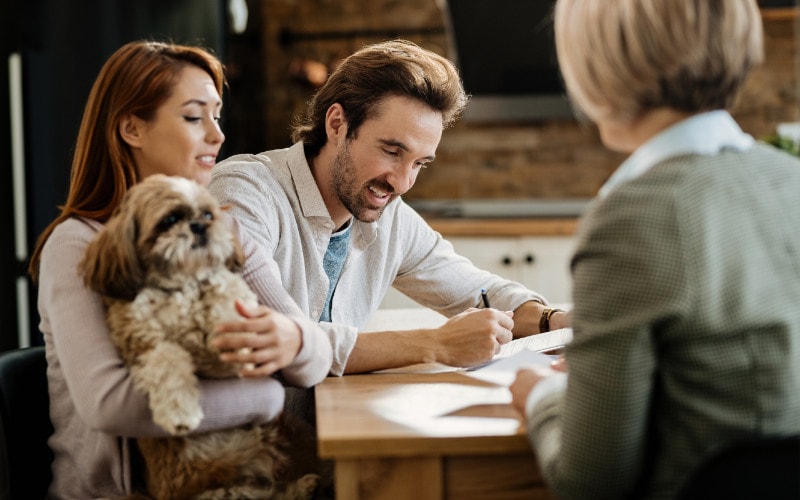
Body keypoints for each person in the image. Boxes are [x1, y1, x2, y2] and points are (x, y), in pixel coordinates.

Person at [509, 1, 800, 498]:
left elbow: (591, 481)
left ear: (597, 67)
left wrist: (544, 396)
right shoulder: (788, 178)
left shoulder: (634, 216)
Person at [28, 40, 332, 499]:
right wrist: (266, 398)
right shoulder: (79, 243)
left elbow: (313, 357)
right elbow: (111, 405)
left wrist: (295, 339)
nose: (217, 135)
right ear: (132, 127)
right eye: (194, 117)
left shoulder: (221, 226)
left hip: (244, 476)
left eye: (217, 115)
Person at [207, 39, 570, 379]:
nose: (402, 183)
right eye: (392, 152)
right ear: (337, 124)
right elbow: (266, 338)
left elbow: (477, 291)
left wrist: (553, 322)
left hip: (336, 427)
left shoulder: (388, 215)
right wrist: (435, 344)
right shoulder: (246, 192)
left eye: (419, 164)